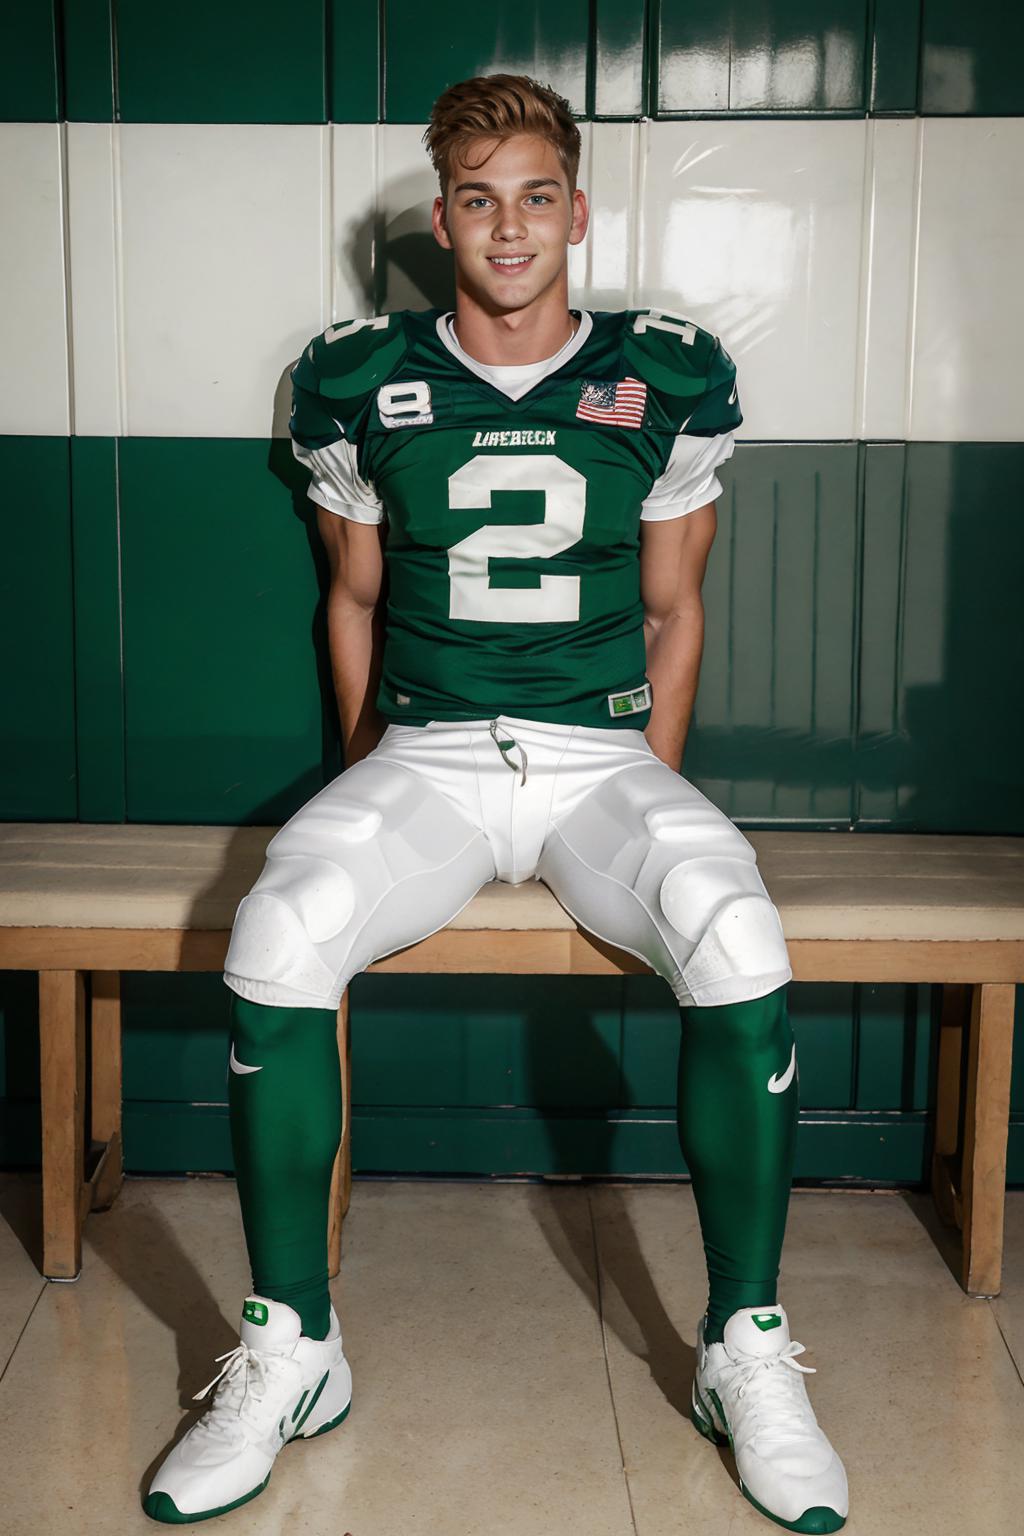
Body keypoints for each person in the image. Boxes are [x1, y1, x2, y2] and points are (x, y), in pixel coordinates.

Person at [144, 73, 848, 1534]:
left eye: (536, 195)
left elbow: (676, 612)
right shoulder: (356, 373)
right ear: (443, 221)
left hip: (601, 757)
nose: (509, 225)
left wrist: (650, 774)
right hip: (430, 752)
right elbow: (348, 597)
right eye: (477, 199)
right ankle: (294, 1346)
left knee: (733, 927)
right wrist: (366, 794)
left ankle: (746, 1347)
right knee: (280, 922)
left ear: (577, 209)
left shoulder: (666, 370)